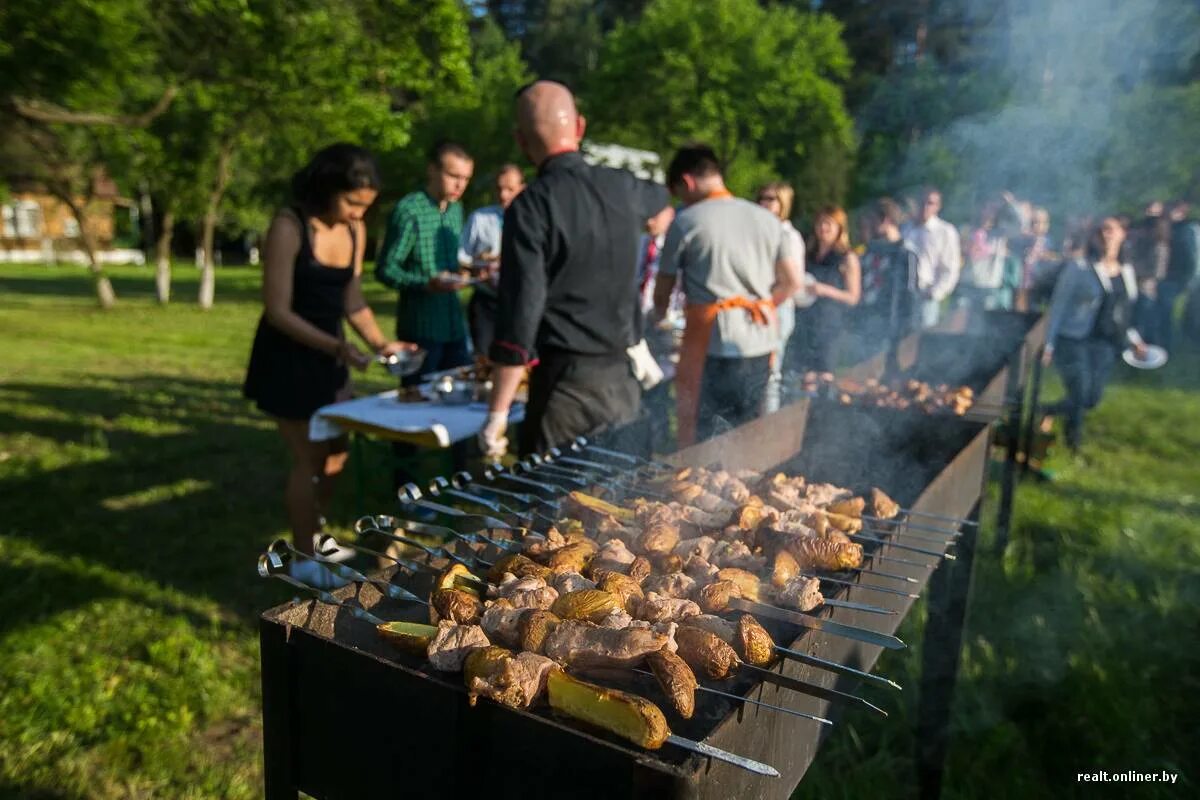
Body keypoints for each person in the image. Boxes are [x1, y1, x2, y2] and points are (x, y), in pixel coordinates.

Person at [242, 144, 414, 586]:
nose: (359, 214)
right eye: (353, 203)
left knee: (337, 454)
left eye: (366, 207)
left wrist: (380, 343)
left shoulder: (354, 232)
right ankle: (302, 560)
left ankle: (315, 537)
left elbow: (351, 300)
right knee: (310, 456)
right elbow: (278, 310)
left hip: (329, 360)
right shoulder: (289, 226)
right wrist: (335, 346)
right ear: (327, 187)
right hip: (288, 357)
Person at [480, 81, 672, 457]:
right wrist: (656, 222)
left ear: (521, 141)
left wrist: (497, 413)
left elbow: (521, 314)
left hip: (563, 394)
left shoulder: (530, 207)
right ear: (580, 127)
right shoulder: (624, 186)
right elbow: (662, 197)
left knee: (552, 508)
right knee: (626, 505)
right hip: (622, 386)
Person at [654, 145, 803, 446]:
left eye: (679, 192)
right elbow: (792, 282)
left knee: (703, 436)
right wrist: (761, 305)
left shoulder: (685, 222)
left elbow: (662, 292)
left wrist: (658, 322)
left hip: (709, 345)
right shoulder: (767, 219)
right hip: (759, 341)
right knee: (748, 430)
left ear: (688, 181)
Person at [1042, 217, 1147, 452]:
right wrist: (1048, 344)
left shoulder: (1127, 272)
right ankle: (1073, 445)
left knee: (1091, 398)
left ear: (1122, 234)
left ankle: (1046, 411)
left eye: (1110, 230)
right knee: (1079, 392)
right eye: (1100, 232)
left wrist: (1136, 341)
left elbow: (1121, 314)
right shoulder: (1079, 268)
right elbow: (1058, 306)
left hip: (1105, 343)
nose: (1105, 236)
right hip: (1073, 340)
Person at [375, 141, 475, 384]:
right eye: (453, 176)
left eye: (466, 178)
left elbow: (453, 262)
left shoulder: (455, 210)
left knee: (459, 397)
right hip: (422, 328)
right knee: (420, 403)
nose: (460, 185)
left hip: (454, 324)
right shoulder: (410, 210)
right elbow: (386, 269)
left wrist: (466, 272)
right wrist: (426, 284)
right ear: (432, 170)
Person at [458, 164, 526, 357]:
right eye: (499, 189)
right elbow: (462, 257)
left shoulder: (532, 220)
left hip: (519, 304)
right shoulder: (480, 218)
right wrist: (476, 268)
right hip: (486, 303)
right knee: (483, 360)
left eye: (510, 189)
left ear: (522, 188)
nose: (503, 195)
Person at [790, 206, 861, 374]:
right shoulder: (808, 253)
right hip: (804, 321)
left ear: (839, 228)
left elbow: (853, 297)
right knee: (803, 375)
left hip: (829, 325)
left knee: (823, 374)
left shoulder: (847, 257)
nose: (823, 228)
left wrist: (825, 290)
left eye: (828, 224)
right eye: (820, 223)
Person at [756, 181, 805, 413]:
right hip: (761, 308)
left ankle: (769, 426)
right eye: (761, 198)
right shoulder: (760, 231)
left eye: (770, 199)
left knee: (771, 375)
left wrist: (767, 305)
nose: (764, 203)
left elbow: (793, 283)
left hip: (778, 308)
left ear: (783, 203)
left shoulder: (789, 236)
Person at [852, 198, 919, 364]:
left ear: (886, 220)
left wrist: (905, 330)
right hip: (867, 324)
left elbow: (910, 295)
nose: (869, 225)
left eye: (873, 220)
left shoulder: (905, 254)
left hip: (891, 325)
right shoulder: (870, 251)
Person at [903, 187, 961, 327]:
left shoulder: (945, 232)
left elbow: (950, 268)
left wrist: (935, 293)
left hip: (925, 295)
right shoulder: (905, 228)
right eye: (922, 202)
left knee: (921, 341)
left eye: (930, 203)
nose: (925, 207)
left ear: (938, 207)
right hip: (902, 295)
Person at [1157, 200, 1200, 351]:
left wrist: (1189, 279)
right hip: (1172, 277)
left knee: (1171, 313)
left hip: (1178, 278)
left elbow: (1192, 257)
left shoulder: (1186, 230)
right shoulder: (1174, 228)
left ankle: (1170, 345)